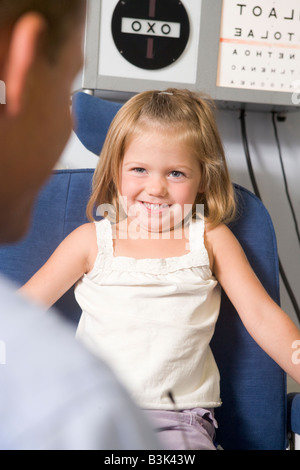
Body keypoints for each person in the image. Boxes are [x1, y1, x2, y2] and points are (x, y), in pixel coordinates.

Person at [20, 89, 300, 450]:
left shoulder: (211, 238)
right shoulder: (90, 241)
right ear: (115, 171)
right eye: (139, 169)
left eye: (176, 173)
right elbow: (19, 313)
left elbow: (262, 316)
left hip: (177, 423)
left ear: (202, 179)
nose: (156, 188)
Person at [0, 0, 159, 450]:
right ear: (23, 65)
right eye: (68, 83)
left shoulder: (212, 237)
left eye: (177, 173)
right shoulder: (83, 410)